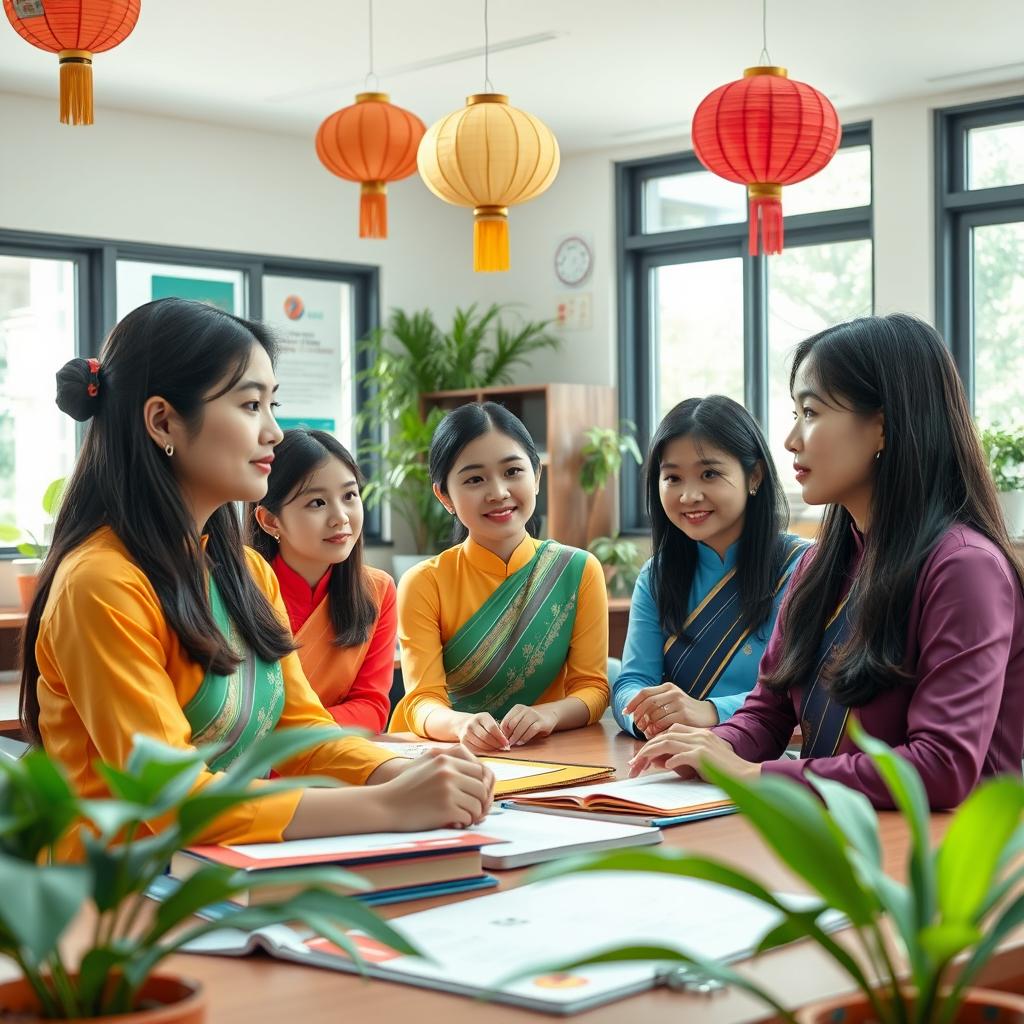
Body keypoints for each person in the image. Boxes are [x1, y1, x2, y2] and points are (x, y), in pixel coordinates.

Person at [21, 298, 493, 858]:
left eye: (273, 404)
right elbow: (172, 800)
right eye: (251, 405)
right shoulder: (100, 583)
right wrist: (389, 805)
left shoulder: (245, 573)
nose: (274, 432)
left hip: (221, 871)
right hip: (117, 902)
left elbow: (303, 739)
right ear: (163, 420)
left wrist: (404, 768)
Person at [628, 315, 1024, 809]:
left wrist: (752, 774)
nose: (792, 440)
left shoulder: (965, 569)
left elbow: (941, 768)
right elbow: (766, 714)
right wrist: (707, 749)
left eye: (810, 412)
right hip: (837, 835)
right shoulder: (820, 564)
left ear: (882, 425)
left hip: (942, 861)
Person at [389, 402, 610, 751]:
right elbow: (421, 702)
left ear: (536, 477)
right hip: (445, 756)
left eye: (512, 472)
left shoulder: (578, 570)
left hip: (548, 753)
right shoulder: (424, 582)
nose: (498, 492)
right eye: (475, 479)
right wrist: (462, 725)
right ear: (444, 495)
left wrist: (549, 715)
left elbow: (593, 690)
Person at [612, 396, 808, 739]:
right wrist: (644, 716)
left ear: (755, 476)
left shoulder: (802, 568)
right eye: (672, 478)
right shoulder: (655, 577)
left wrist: (711, 711)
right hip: (673, 759)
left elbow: (803, 693)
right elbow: (632, 681)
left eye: (709, 474)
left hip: (765, 762)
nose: (689, 496)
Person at [251, 429, 395, 733]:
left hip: (336, 763)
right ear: (269, 520)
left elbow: (371, 708)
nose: (341, 517)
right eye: (317, 503)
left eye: (349, 495)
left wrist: (295, 734)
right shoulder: (241, 590)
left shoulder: (378, 591)